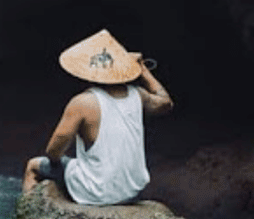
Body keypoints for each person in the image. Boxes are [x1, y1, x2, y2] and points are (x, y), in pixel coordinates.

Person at [22, 29, 173, 204]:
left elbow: (53, 151)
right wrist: (143, 71)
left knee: (33, 166)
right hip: (132, 191)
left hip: (95, 192)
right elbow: (166, 102)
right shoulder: (138, 95)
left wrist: (58, 163)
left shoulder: (83, 102)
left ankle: (31, 218)